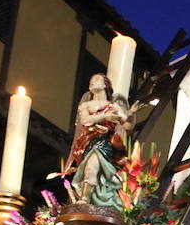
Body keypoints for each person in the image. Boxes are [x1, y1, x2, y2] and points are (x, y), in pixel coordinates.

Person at [57, 74, 142, 208]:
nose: (92, 81)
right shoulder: (86, 105)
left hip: (105, 141)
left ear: (105, 85)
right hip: (88, 141)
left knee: (92, 166)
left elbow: (127, 126)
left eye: (96, 80)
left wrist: (131, 114)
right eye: (91, 80)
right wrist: (105, 116)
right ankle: (91, 199)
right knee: (90, 169)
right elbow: (85, 120)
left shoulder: (113, 106)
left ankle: (85, 199)